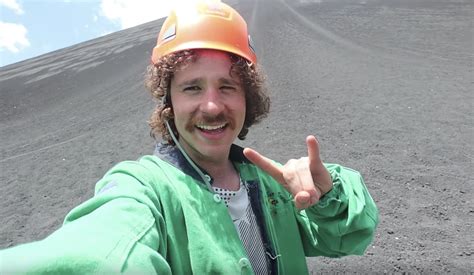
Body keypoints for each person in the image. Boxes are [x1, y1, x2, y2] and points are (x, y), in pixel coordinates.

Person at [0, 1, 378, 274]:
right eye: (192, 88)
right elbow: (106, 248)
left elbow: (347, 235)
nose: (212, 106)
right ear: (168, 101)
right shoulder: (143, 187)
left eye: (227, 86)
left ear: (248, 98)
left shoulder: (272, 184)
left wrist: (328, 197)